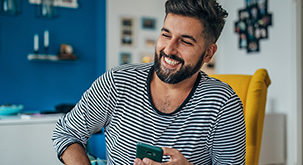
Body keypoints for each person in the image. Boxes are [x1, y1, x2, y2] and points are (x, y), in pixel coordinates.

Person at [52, 0, 246, 164]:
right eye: (166, 34)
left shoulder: (224, 104)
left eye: (185, 41)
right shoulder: (117, 82)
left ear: (208, 53)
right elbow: (66, 133)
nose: (169, 49)